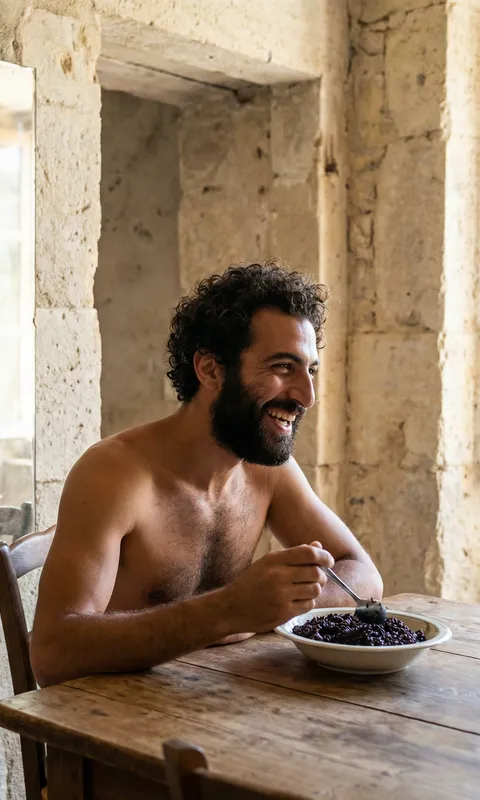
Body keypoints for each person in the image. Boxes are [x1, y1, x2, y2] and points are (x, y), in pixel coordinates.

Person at [30, 262, 383, 687]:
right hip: (114, 734)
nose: (306, 396)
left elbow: (363, 575)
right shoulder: (114, 475)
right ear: (211, 369)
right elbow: (51, 653)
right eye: (282, 367)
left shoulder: (267, 470)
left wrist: (273, 607)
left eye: (310, 370)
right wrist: (228, 611)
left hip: (218, 709)